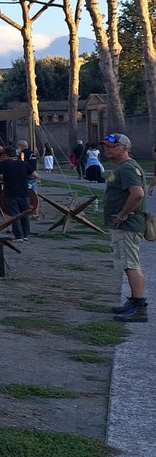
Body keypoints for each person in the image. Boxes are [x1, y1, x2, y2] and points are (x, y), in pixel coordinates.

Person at [100, 133, 147, 323]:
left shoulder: (127, 168)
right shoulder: (122, 168)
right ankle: (134, 302)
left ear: (124, 148)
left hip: (127, 224)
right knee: (127, 265)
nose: (107, 149)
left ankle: (139, 307)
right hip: (124, 225)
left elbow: (137, 194)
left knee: (131, 265)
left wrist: (122, 214)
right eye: (106, 146)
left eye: (112, 146)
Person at [0, 147, 38, 241]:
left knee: (15, 215)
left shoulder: (4, 163)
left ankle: (19, 235)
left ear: (6, 155)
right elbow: (35, 175)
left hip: (10, 192)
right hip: (24, 192)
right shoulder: (24, 163)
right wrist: (26, 178)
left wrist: (3, 179)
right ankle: (26, 234)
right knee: (24, 214)